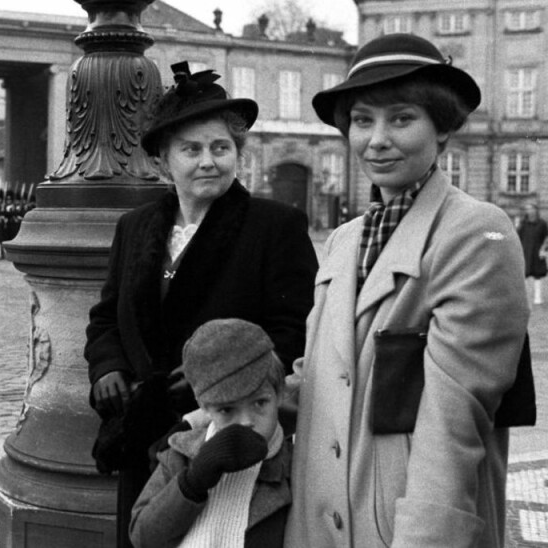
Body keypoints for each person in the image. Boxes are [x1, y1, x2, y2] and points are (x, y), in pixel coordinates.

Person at [286, 34, 531, 548]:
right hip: (319, 523)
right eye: (362, 120)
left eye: (401, 118)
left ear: (442, 130)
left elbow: (454, 422)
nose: (376, 139)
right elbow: (322, 379)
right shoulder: (343, 240)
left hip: (400, 527)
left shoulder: (474, 233)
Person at [85, 61, 317, 548]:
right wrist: (107, 366)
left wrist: (222, 374)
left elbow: (295, 327)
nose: (208, 161)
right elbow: (107, 316)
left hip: (226, 432)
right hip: (142, 430)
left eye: (221, 147)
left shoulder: (274, 227)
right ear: (163, 159)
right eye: (192, 149)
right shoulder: (135, 227)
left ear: (238, 154)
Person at [129, 319, 292, 548]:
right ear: (204, 408)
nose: (246, 422)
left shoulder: (294, 465)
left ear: (280, 394)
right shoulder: (180, 455)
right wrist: (192, 483)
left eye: (259, 403)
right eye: (227, 409)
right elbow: (143, 538)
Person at [517, 203, 548, 305]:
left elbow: (546, 238)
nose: (529, 211)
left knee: (538, 274)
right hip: (525, 252)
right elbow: (517, 238)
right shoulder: (523, 224)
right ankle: (523, 298)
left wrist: (543, 249)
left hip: (537, 252)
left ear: (536, 210)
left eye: (531, 209)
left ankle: (537, 297)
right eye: (527, 209)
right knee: (523, 274)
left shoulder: (542, 224)